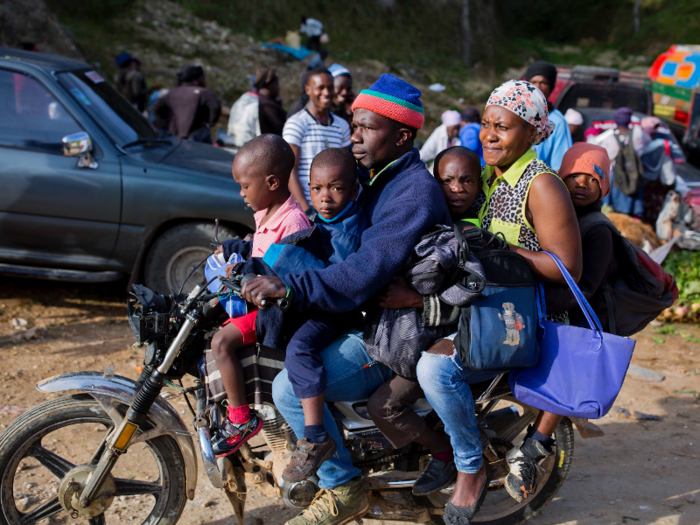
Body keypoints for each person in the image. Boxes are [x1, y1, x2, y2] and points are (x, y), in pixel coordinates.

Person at [241, 74, 451, 525]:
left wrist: (292, 286)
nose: (353, 135)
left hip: (394, 334)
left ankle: (344, 487)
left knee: (289, 390)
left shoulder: (410, 193)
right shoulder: (378, 178)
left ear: (402, 136)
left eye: (366, 128)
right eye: (354, 125)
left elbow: (362, 272)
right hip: (372, 316)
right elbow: (331, 231)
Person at [414, 79, 581, 523]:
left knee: (434, 368)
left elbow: (567, 266)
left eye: (503, 128)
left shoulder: (541, 184)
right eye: (486, 124)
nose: (489, 135)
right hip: (486, 309)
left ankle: (469, 465)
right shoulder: (495, 177)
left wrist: (497, 248)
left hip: (522, 321)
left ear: (531, 132)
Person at [367, 146, 483, 497]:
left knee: (383, 405)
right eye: (447, 180)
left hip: (446, 340)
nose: (457, 188)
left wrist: (418, 301)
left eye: (467, 180)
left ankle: (445, 453)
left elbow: (474, 295)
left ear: (481, 184)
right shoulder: (427, 218)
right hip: (407, 334)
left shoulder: (476, 233)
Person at [505, 143, 615, 503]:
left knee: (561, 378)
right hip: (556, 306)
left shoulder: (598, 229)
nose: (582, 184)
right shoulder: (559, 213)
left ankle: (539, 442)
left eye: (592, 178)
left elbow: (578, 291)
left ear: (605, 186)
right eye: (574, 176)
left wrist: (521, 303)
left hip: (581, 318)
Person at [209, 134, 311, 458]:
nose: (241, 194)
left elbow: (283, 275)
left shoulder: (293, 222)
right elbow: (257, 249)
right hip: (252, 300)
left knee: (220, 343)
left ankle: (241, 419)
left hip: (270, 311)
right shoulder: (266, 212)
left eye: (244, 186)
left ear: (271, 182)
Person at [274, 148, 368, 483]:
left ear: (353, 190)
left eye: (336, 188)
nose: (324, 197)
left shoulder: (352, 229)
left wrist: (281, 268)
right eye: (316, 189)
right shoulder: (326, 221)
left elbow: (334, 277)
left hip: (339, 310)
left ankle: (315, 435)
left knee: (299, 349)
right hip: (322, 301)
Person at [282, 67, 351, 210]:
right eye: (321, 88)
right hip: (306, 206)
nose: (326, 93)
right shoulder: (297, 123)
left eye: (330, 87)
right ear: (307, 90)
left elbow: (345, 167)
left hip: (334, 209)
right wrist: (306, 209)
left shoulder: (341, 125)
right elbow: (289, 170)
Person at [595, 107, 646, 218]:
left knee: (611, 213)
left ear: (616, 121)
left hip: (615, 180)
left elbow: (603, 158)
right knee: (630, 215)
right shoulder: (638, 136)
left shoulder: (609, 138)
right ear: (629, 121)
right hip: (633, 177)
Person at [151, 65, 221, 143]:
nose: (205, 82)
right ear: (196, 80)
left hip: (174, 137)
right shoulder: (202, 92)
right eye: (203, 78)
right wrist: (210, 123)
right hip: (196, 138)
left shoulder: (173, 92)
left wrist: (167, 123)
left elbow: (154, 108)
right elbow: (215, 106)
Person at [525, 61, 573, 170]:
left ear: (551, 87)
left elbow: (560, 166)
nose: (538, 87)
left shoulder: (557, 121)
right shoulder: (515, 115)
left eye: (543, 83)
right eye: (534, 82)